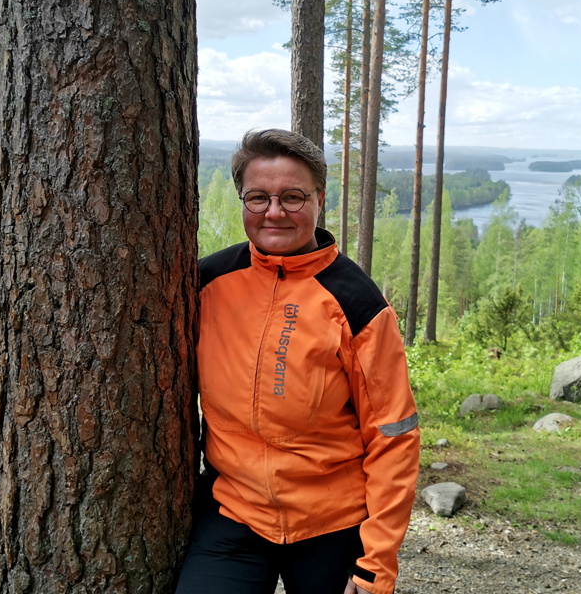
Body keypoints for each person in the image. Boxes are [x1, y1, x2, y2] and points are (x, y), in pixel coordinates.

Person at [175, 129, 420, 594]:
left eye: (292, 196)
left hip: (333, 521)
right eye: (258, 197)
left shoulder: (356, 303)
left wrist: (375, 567)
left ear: (319, 199)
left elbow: (394, 437)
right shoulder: (206, 283)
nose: (274, 211)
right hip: (234, 512)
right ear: (241, 200)